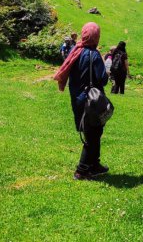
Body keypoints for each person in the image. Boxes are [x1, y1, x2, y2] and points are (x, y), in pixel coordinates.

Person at [53, 22, 110, 180]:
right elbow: (103, 79)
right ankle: (82, 170)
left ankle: (95, 164)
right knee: (92, 135)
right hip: (91, 100)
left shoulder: (75, 50)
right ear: (96, 36)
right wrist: (106, 69)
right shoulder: (94, 54)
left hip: (77, 97)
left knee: (93, 132)